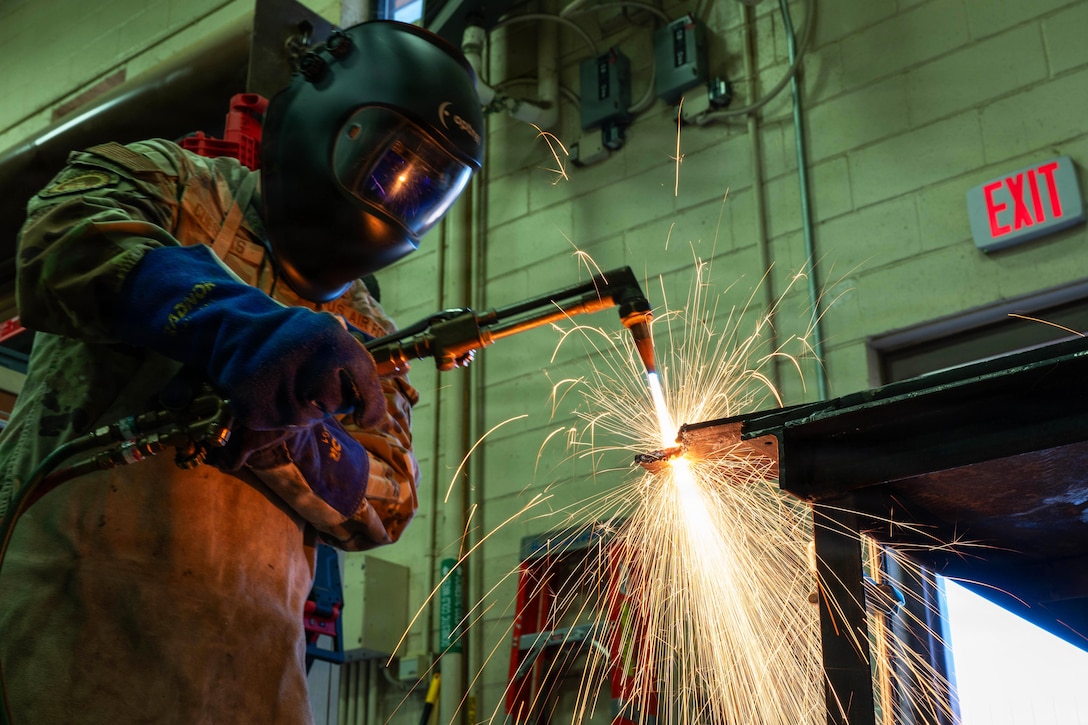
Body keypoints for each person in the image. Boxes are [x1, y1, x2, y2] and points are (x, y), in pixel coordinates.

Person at [0, 20, 483, 724]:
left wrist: (298, 435)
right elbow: (62, 238)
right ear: (326, 114)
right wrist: (231, 330)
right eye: (387, 166)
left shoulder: (370, 331)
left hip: (247, 676)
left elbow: (390, 495)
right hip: (63, 630)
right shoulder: (170, 183)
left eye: (420, 188)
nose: (397, 195)